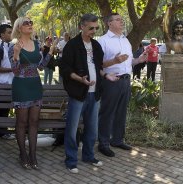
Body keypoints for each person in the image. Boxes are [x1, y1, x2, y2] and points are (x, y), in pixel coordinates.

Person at [60, 13, 119, 174]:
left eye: (96, 28)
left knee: (92, 129)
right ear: (82, 26)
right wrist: (79, 79)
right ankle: (71, 160)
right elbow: (65, 69)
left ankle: (88, 156)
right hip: (78, 94)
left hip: (95, 94)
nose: (94, 31)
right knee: (72, 130)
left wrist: (106, 75)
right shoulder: (72, 45)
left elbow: (99, 67)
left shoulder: (96, 46)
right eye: (91, 28)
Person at [10, 17, 57, 170]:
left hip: (35, 85)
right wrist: (16, 54)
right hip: (21, 86)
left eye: (31, 23)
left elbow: (41, 67)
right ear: (19, 27)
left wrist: (49, 52)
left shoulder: (36, 44)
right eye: (26, 23)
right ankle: (22, 154)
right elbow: (15, 71)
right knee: (22, 122)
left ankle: (33, 154)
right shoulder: (15, 45)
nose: (30, 25)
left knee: (34, 122)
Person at [97, 13, 146, 157]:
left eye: (121, 19)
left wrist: (139, 60)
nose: (121, 21)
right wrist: (114, 61)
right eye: (118, 20)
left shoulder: (125, 41)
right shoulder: (103, 41)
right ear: (109, 23)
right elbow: (98, 64)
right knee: (107, 112)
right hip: (111, 81)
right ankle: (103, 143)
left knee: (121, 112)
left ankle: (117, 140)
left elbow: (128, 61)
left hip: (125, 80)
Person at [0, 24, 15, 139]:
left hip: (9, 83)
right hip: (2, 84)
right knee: (2, 108)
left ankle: (1, 131)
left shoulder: (9, 46)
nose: (11, 34)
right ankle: (1, 132)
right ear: (2, 35)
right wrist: (12, 69)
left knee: (5, 108)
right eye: (9, 32)